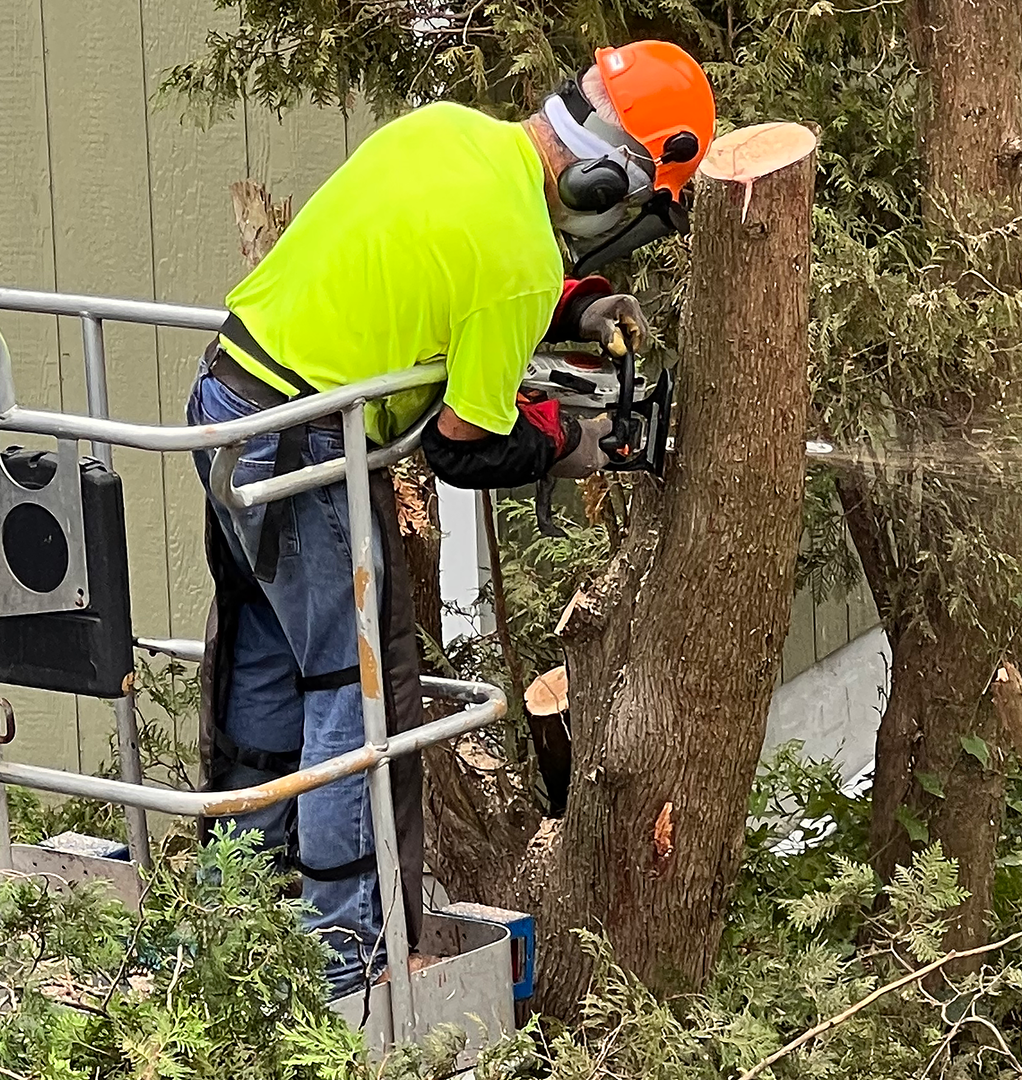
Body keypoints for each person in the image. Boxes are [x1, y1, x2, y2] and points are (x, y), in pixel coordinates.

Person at [188, 41, 716, 995]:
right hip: (307, 447)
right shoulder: (519, 259)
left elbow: (449, 264)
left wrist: (578, 308)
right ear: (607, 181)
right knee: (358, 699)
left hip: (228, 400)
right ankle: (345, 962)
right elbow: (462, 446)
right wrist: (577, 442)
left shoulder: (452, 132)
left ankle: (237, 916)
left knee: (269, 662)